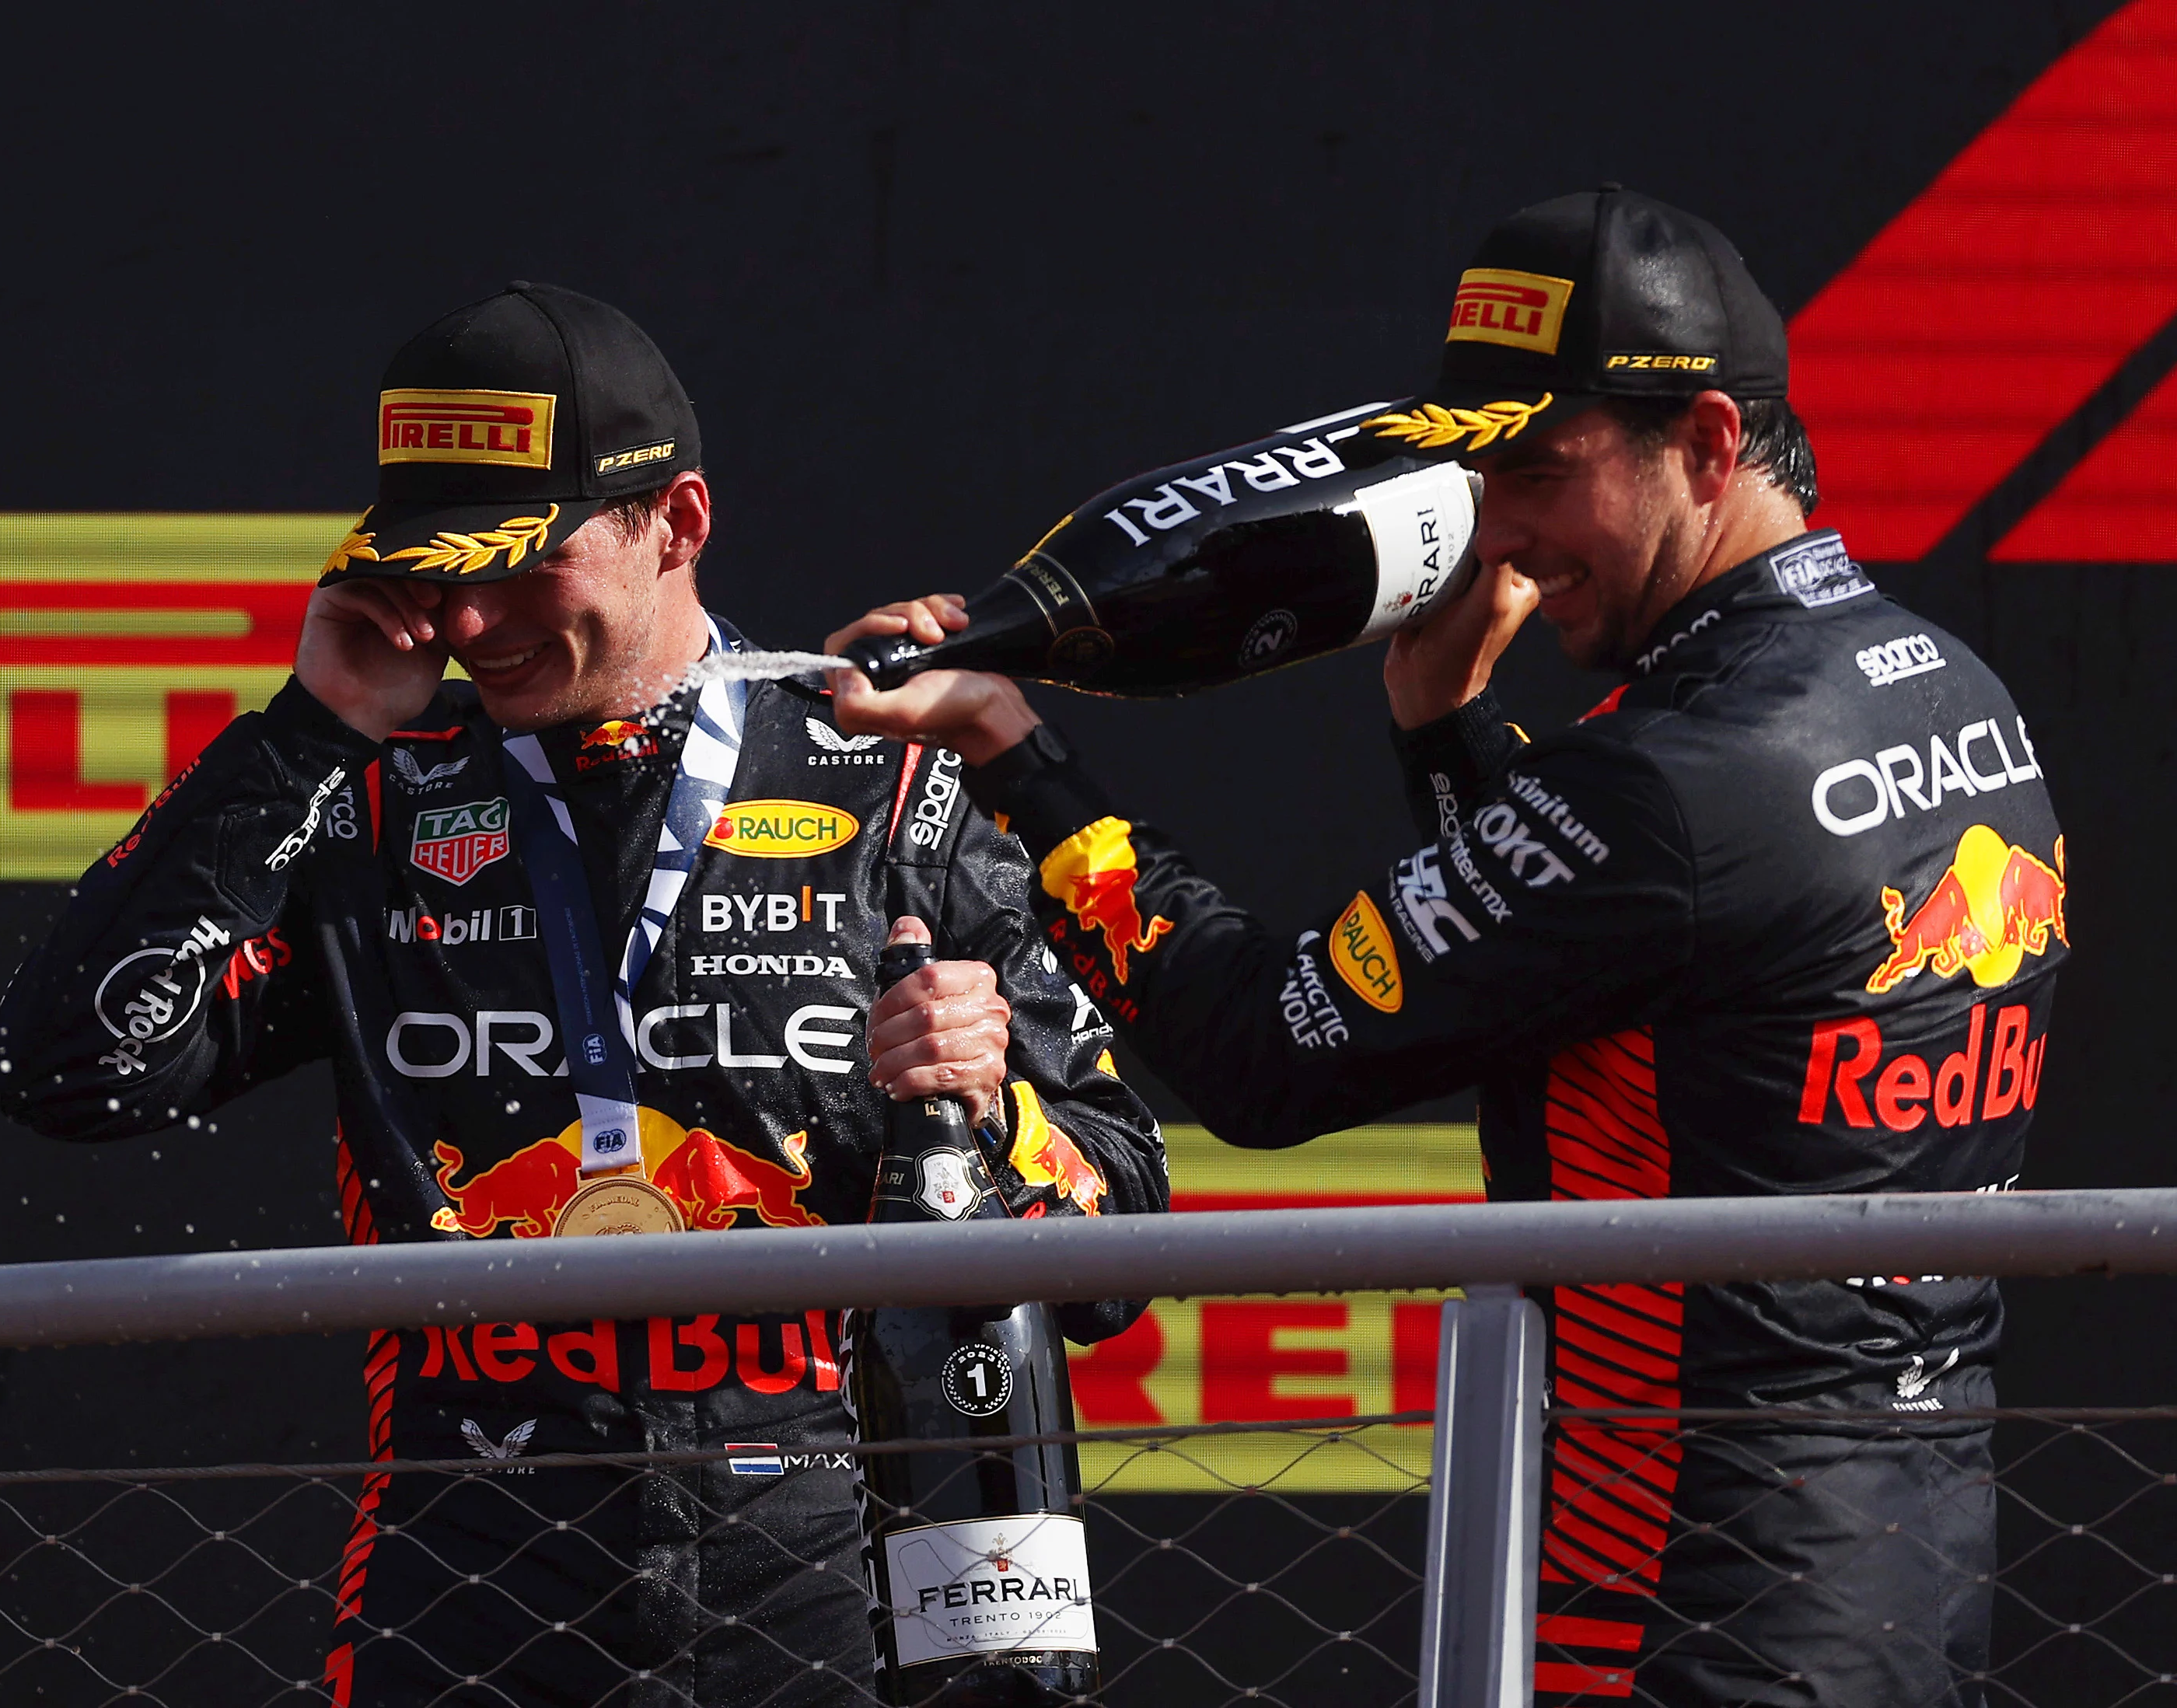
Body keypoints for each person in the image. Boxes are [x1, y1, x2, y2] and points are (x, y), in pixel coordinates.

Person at [829, 188, 2063, 1706]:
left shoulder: (1672, 780)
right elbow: (1617, 968)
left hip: (1685, 1584)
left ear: (1707, 447)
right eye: (1478, 472)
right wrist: (1448, 731)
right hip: (1913, 1546)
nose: (1503, 528)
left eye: (1539, 472)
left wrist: (1016, 754)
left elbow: (1258, 1055)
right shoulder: (1947, 690)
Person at [0, 281, 1167, 1708]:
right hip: (466, 1577)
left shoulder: (894, 775)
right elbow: (72, 1071)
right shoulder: (368, 801)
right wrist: (305, 731)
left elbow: (1117, 1247)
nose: (470, 617)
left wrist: (989, 1112)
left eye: (521, 562)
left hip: (833, 1577)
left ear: (678, 521)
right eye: (433, 570)